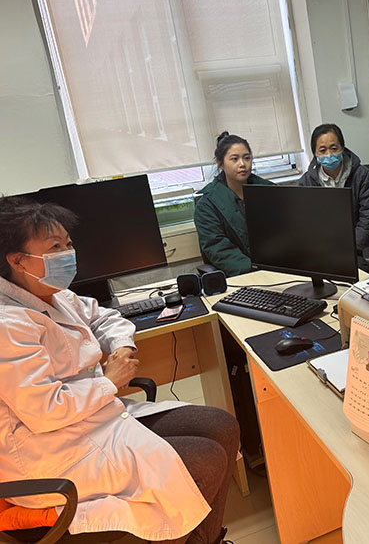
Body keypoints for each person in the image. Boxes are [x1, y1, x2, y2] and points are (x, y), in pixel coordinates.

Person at [0, 196, 238, 544]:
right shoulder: (8, 324)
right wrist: (109, 382)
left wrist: (122, 346)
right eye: (55, 247)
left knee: (221, 426)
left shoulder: (54, 295)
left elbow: (106, 317)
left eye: (68, 244)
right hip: (51, 455)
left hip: (95, 419)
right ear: (18, 260)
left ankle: (205, 539)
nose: (68, 253)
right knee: (204, 460)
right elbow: (44, 410)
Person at [298, 123, 369, 270]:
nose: (329, 154)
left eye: (334, 148)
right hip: (321, 252)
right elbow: (305, 223)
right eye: (322, 150)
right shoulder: (307, 182)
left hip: (356, 251)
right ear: (315, 153)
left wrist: (349, 248)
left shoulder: (362, 175)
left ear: (342, 148)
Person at [194, 132, 274, 277]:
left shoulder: (269, 190)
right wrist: (255, 271)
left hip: (278, 267)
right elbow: (218, 249)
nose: (242, 164)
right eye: (234, 159)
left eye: (247, 158)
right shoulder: (207, 205)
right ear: (220, 164)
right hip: (241, 275)